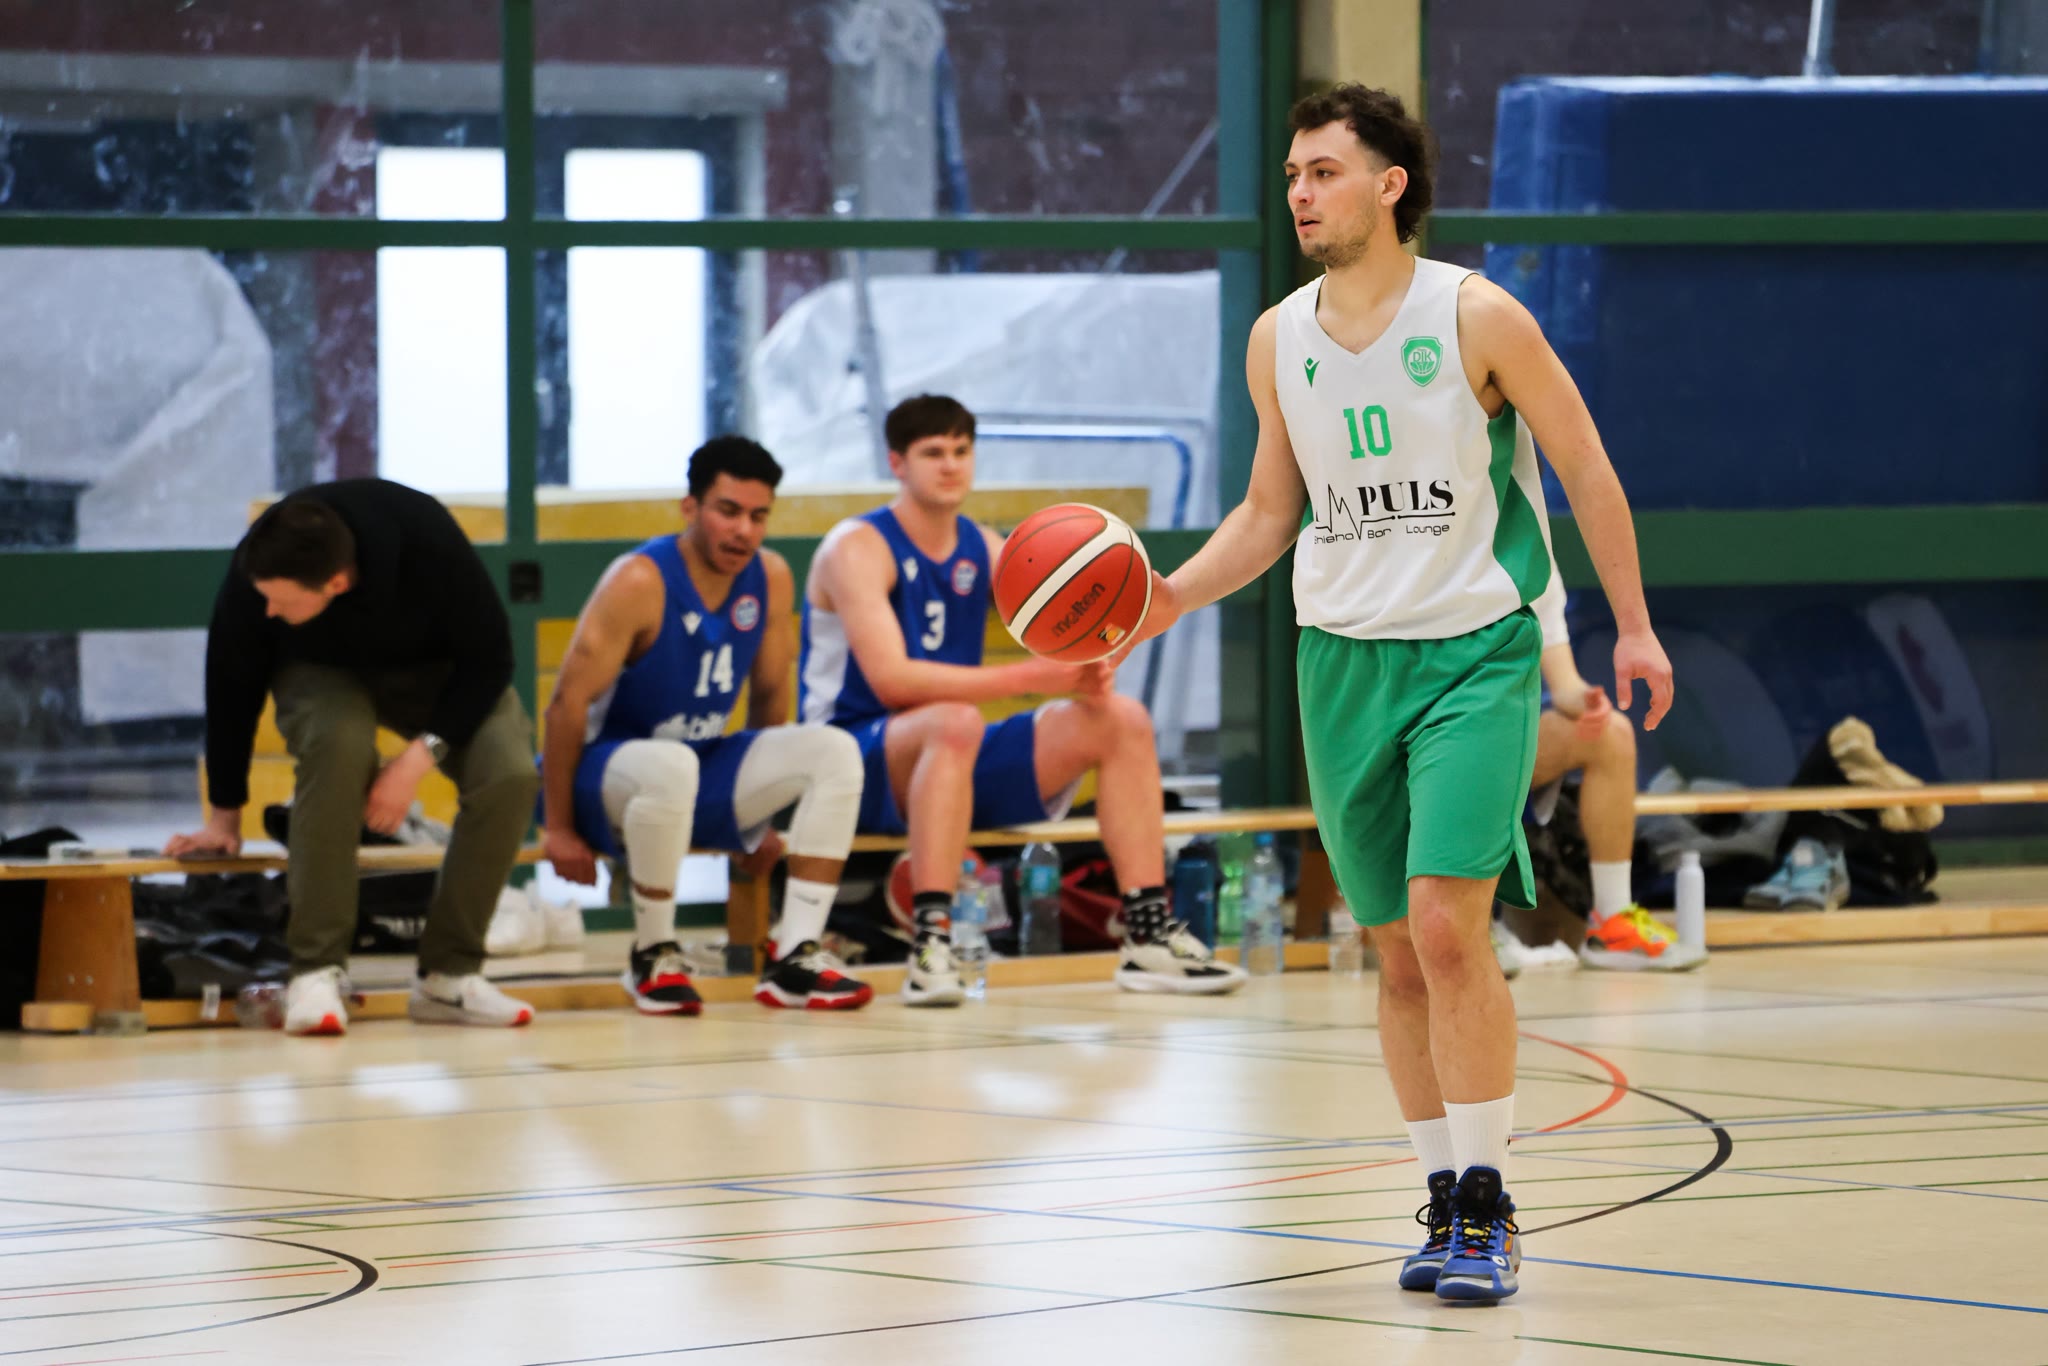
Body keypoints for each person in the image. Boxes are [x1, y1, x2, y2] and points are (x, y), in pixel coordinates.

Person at [1126, 85, 1674, 1303]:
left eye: (1321, 171)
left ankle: (1488, 1203)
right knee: (1392, 950)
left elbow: (1585, 469)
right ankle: (1440, 1194)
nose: (1299, 193)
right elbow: (1269, 511)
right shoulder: (1277, 338)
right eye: (1290, 174)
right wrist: (1169, 595)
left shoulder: (1476, 313)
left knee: (1442, 921)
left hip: (1473, 650)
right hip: (1340, 659)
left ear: (1389, 184)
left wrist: (1631, 627)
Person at [800, 394, 1245, 1005]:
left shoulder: (982, 547)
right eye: (933, 452)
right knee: (955, 723)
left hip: (948, 755)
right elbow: (891, 681)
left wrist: (1091, 656)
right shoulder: (856, 546)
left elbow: (1057, 625)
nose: (951, 465)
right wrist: (1037, 676)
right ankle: (933, 945)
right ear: (896, 463)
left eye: (962, 450)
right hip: (854, 755)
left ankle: (1147, 933)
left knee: (1120, 719)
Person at [166, 480, 542, 1036]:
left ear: (336, 583)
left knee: (508, 774)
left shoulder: (427, 540)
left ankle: (449, 976)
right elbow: (230, 684)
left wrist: (416, 761)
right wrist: (224, 815)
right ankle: (316, 971)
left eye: (281, 600)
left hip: (428, 666)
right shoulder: (260, 569)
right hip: (319, 667)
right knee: (339, 744)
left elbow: (490, 659)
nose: (267, 609)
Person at [541, 436, 871, 1015]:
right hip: (605, 772)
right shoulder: (639, 581)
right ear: (690, 507)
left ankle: (795, 955)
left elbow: (769, 694)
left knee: (835, 750)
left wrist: (759, 823)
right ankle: (652, 954)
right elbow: (565, 706)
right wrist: (559, 827)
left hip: (695, 767)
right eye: (728, 511)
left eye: (758, 516)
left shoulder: (769, 576)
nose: (743, 530)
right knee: (671, 765)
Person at [1513, 566, 1704, 972]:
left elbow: (1564, 684)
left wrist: (1584, 700)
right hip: (1421, 731)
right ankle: (1467, 929)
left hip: (1497, 732)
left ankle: (1612, 925)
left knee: (1610, 735)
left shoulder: (1534, 559)